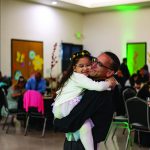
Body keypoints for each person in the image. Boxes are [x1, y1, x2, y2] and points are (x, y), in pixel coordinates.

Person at [54, 51, 120, 150]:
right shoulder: (105, 85)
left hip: (80, 145)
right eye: (94, 60)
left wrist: (57, 123)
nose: (92, 65)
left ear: (109, 72)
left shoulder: (98, 91)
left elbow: (74, 120)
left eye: (99, 64)